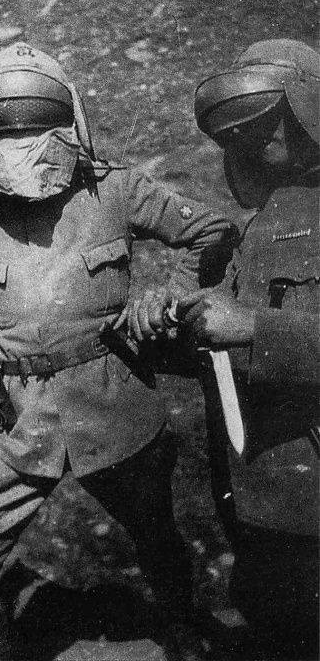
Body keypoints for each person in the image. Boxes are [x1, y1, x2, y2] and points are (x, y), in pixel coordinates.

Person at [0, 42, 234, 661]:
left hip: (114, 401)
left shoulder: (114, 189)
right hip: (10, 419)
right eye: (2, 128)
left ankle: (183, 631)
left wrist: (171, 293)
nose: (22, 142)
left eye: (37, 123)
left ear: (71, 122)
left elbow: (211, 230)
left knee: (159, 538)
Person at [179, 39, 319, 658]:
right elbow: (223, 342)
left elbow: (252, 331)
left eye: (268, 130)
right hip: (261, 494)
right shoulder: (255, 229)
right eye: (240, 137)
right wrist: (179, 325)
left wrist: (251, 330)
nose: (254, 151)